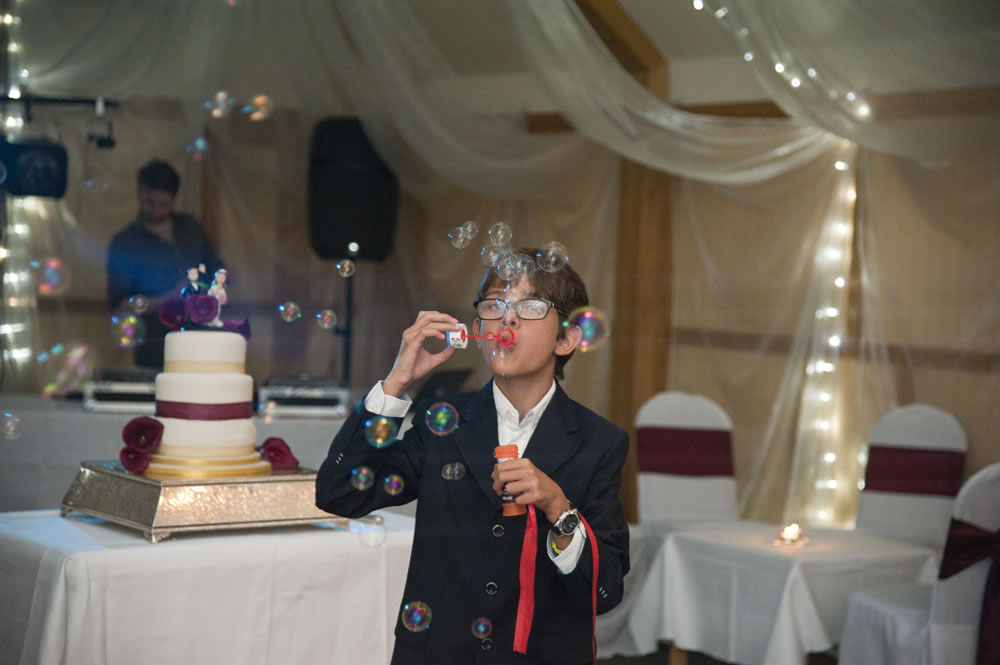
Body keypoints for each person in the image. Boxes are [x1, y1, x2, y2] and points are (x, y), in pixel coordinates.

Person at [316, 252, 630, 665]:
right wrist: (397, 383)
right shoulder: (442, 423)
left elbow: (604, 591)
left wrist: (557, 505)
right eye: (494, 305)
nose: (507, 320)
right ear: (479, 327)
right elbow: (339, 493)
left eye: (531, 307)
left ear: (566, 339)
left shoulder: (598, 442)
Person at [106, 160, 223, 367]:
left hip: (199, 338)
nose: (155, 211)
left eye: (163, 205)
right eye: (149, 202)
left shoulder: (191, 228)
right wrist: (169, 297)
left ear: (173, 200)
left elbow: (214, 269)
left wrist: (219, 281)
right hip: (155, 347)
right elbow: (121, 308)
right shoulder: (125, 242)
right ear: (139, 193)